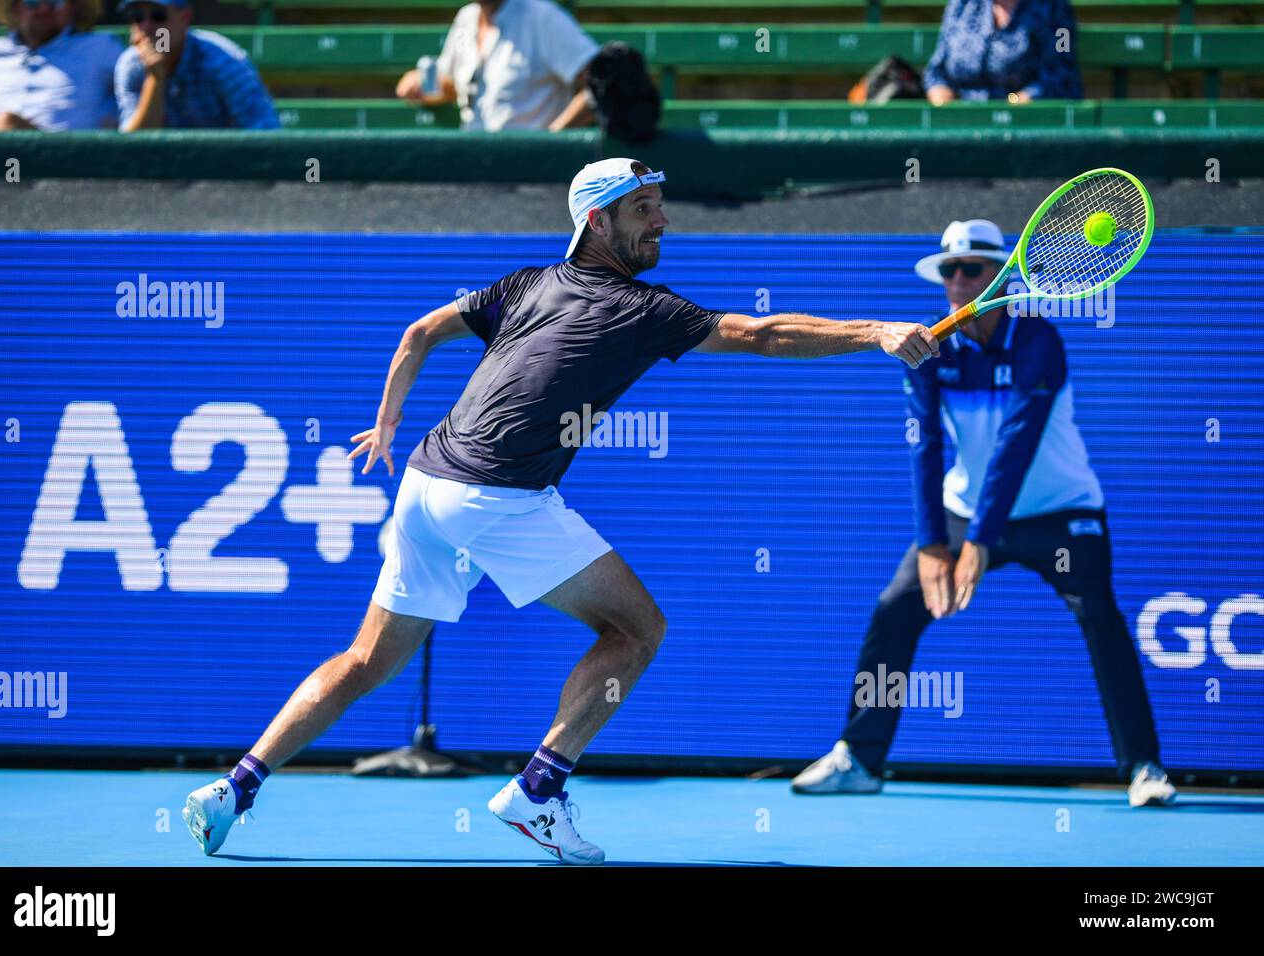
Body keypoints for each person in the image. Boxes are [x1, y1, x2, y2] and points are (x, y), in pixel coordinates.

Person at [181, 158, 940, 864]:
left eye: (660, 206)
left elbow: (418, 333)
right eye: (643, 209)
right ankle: (538, 790)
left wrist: (386, 425)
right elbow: (763, 334)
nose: (662, 221)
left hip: (424, 486)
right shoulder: (641, 308)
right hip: (497, 498)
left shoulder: (522, 285)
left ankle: (233, 789)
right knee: (638, 629)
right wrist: (877, 332)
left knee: (364, 662)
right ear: (596, 224)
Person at [790, 219, 1176, 810]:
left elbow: (1016, 445)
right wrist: (931, 543)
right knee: (896, 608)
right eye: (951, 270)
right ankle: (861, 759)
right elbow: (925, 446)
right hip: (964, 511)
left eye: (973, 268)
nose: (961, 280)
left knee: (1099, 615)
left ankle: (1144, 766)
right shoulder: (930, 352)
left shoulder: (1039, 341)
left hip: (1060, 510)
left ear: (1000, 274)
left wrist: (981, 542)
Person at [395, 0, 597, 132]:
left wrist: (551, 140)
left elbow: (598, 83)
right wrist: (419, 84)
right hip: (474, 161)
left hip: (529, 173)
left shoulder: (542, 17)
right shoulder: (467, 17)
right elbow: (453, 86)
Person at [115, 0, 278, 131]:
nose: (145, 26)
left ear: (185, 18)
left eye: (158, 16)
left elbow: (265, 133)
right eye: (137, 17)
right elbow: (134, 149)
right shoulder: (131, 65)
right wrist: (155, 77)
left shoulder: (222, 60)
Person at [0, 0, 120, 130]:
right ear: (15, 8)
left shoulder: (101, 47)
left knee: (7, 124)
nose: (44, 8)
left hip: (72, 159)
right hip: (2, 160)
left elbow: (136, 85)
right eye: (32, 1)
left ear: (73, 7)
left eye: (55, 1)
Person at [924, 0, 1083, 105]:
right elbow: (936, 71)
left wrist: (1014, 104)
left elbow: (1062, 76)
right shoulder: (961, 5)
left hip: (1026, 123)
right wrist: (941, 99)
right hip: (962, 121)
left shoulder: (1053, 7)